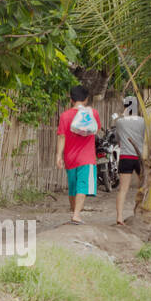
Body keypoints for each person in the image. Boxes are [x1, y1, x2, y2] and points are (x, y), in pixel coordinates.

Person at [57, 85, 101, 224]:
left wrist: (58, 155)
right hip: (86, 157)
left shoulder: (65, 116)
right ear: (86, 99)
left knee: (73, 186)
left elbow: (61, 137)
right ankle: (76, 214)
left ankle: (74, 211)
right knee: (82, 185)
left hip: (70, 157)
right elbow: (96, 130)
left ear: (71, 99)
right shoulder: (93, 113)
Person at [114, 96, 147, 225]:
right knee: (144, 186)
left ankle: (119, 217)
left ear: (125, 106)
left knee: (123, 189)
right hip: (139, 158)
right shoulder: (143, 121)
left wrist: (124, 113)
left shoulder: (120, 122)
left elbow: (117, 138)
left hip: (125, 157)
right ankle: (140, 213)